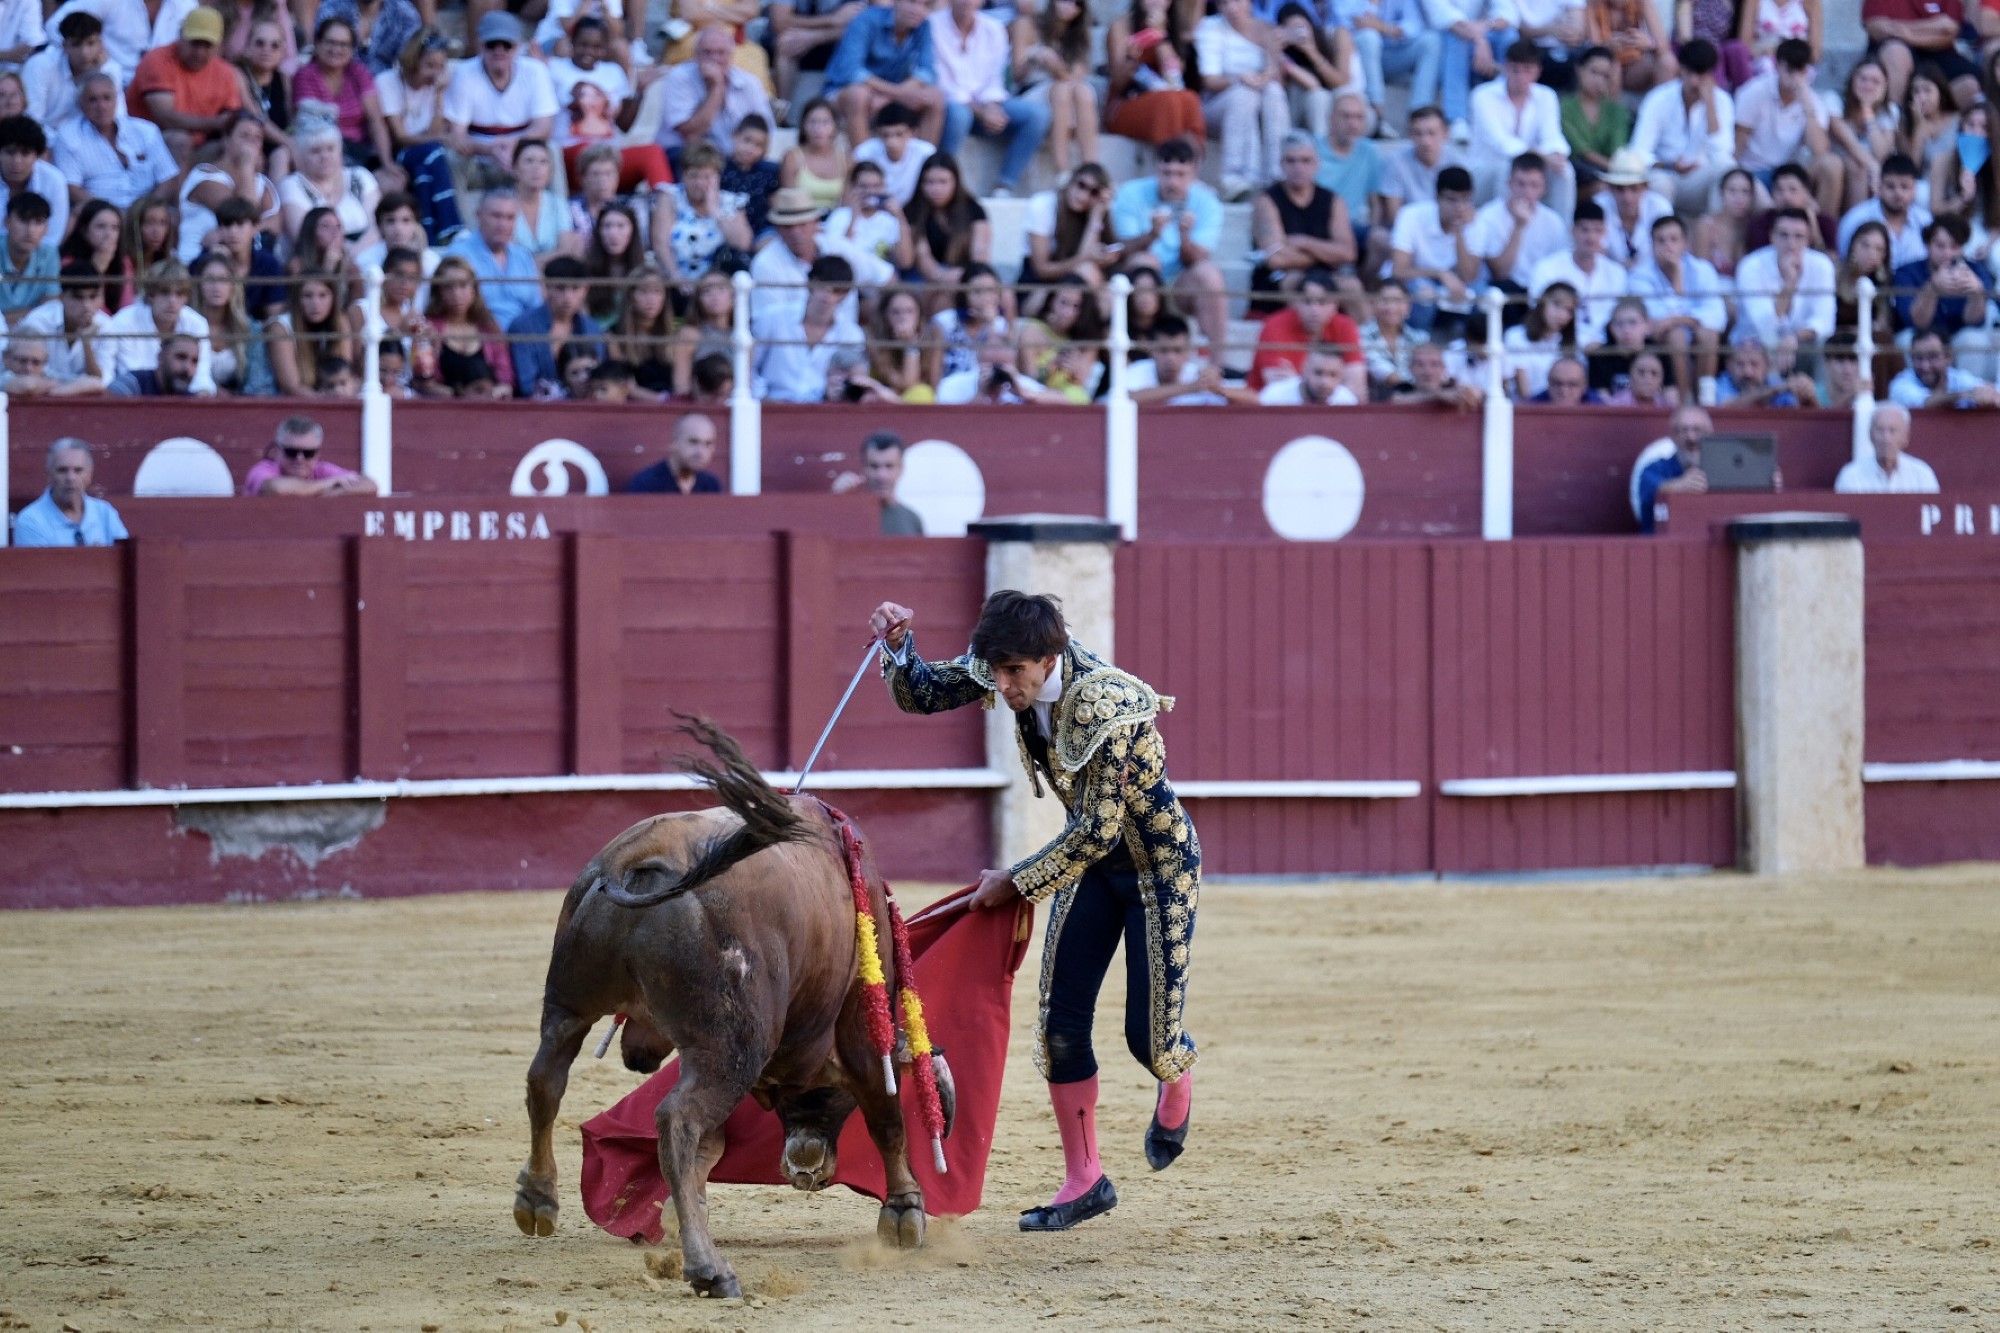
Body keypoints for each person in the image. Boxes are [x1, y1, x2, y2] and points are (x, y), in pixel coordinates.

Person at [867, 589, 1202, 1231]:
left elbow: (1100, 828)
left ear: (1048, 660)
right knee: (1061, 1026)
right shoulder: (1005, 661)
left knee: (1151, 1041)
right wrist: (897, 647)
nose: (1002, 686)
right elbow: (924, 692)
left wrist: (1017, 881)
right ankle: (1086, 1179)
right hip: (1091, 872)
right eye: (995, 671)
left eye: (1013, 674)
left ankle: (1175, 1074)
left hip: (1159, 869)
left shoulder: (1112, 702)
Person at [932, 0, 1051, 197]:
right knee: (959, 114)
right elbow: (941, 85)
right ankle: (942, 179)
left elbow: (994, 81)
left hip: (985, 103)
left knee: (1038, 115)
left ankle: (1004, 186)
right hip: (950, 106)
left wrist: (992, 106)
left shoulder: (993, 29)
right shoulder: (933, 25)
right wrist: (980, 110)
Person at [751, 186, 893, 327]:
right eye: (788, 226)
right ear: (778, 229)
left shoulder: (839, 247)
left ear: (816, 223)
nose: (796, 233)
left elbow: (887, 278)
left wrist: (877, 316)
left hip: (848, 344)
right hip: (794, 345)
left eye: (802, 224)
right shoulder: (765, 263)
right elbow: (768, 324)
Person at [443, 12, 558, 184]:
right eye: (492, 44)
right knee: (452, 156)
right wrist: (490, 150)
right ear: (480, 45)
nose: (499, 50)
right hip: (478, 151)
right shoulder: (464, 74)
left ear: (518, 46)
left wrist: (515, 144)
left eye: (506, 45)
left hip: (523, 149)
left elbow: (544, 127)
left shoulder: (535, 71)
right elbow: (457, 135)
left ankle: (557, 208)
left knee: (551, 151)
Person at [1192, 0, 1287, 201]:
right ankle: (1233, 177)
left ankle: (1277, 173)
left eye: (1237, 1)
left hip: (1258, 101)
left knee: (1274, 92)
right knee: (1243, 93)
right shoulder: (1210, 27)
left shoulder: (1265, 28)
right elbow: (1210, 80)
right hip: (1215, 106)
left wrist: (1267, 74)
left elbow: (1276, 75)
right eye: (1225, 3)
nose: (1232, 8)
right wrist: (1240, 78)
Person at [1469, 41, 1575, 221]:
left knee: (1565, 171)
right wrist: (1543, 157)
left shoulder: (1546, 96)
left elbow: (1552, 134)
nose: (1521, 77)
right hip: (1484, 172)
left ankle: (1562, 232)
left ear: (1538, 71)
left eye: (1527, 70)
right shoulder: (1483, 95)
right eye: (1515, 70)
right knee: (1509, 169)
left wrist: (1557, 154)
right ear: (1505, 68)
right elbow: (1501, 142)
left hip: (1529, 166)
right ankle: (1503, 230)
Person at [1629, 38, 1735, 216]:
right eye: (1690, 73)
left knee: (1727, 169)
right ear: (1681, 69)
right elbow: (1639, 150)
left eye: (1700, 75)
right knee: (1659, 182)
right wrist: (1669, 165)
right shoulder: (1659, 98)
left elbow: (1723, 152)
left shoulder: (1722, 101)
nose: (1694, 82)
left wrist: (1710, 107)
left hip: (1699, 180)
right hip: (1665, 174)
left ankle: (1715, 235)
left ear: (1711, 74)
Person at [1253, 128, 1357, 308]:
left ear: (1316, 163)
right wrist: (1328, 254)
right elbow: (1276, 259)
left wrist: (1304, 242)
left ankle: (1368, 335)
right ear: (1282, 164)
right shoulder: (1267, 201)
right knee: (1296, 283)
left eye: (1305, 161)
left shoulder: (1333, 201)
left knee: (1352, 286)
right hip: (1280, 279)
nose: (1298, 167)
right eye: (1291, 161)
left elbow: (1348, 253)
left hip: (1324, 275)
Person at [128, 6, 244, 162]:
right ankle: (177, 187)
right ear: (181, 36)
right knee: (179, 140)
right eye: (195, 43)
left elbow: (232, 118)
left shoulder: (225, 72)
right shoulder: (157, 60)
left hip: (200, 147)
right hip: (147, 145)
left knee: (244, 147)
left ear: (219, 46)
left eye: (207, 45)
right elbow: (166, 118)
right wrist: (216, 123)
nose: (200, 52)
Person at [822, 0, 944, 146]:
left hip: (888, 95)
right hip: (844, 91)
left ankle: (926, 165)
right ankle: (864, 165)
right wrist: (897, 94)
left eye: (925, 5)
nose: (917, 10)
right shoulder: (866, 20)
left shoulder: (924, 26)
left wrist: (891, 96)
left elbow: (927, 72)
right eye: (912, 2)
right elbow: (852, 71)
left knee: (934, 96)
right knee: (859, 95)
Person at [1734, 39, 1837, 208]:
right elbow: (1740, 141)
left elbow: (1819, 150)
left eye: (1801, 70)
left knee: (1831, 165)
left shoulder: (1813, 102)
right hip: (1754, 170)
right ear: (1778, 66)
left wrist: (1807, 107)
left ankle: (1826, 228)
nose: (1795, 76)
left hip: (1789, 174)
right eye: (1790, 69)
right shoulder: (1754, 91)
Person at [1630, 212, 1726, 386]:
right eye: (1661, 240)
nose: (1668, 246)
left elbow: (1717, 316)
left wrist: (1678, 319)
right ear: (1652, 245)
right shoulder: (1639, 275)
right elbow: (1653, 317)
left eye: (1674, 240)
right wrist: (1677, 279)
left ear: (1685, 244)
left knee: (1709, 335)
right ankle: (1684, 400)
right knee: (1677, 335)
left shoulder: (1703, 270)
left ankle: (1706, 399)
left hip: (1693, 329)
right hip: (1660, 335)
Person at [752, 252, 864, 401]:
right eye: (823, 287)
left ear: (845, 294)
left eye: (837, 291)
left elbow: (854, 381)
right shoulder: (773, 318)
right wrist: (762, 397)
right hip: (769, 406)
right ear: (810, 283)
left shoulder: (851, 334)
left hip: (823, 412)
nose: (828, 297)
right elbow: (748, 366)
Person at [656, 22, 775, 157]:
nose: (714, 59)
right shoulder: (679, 76)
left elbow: (766, 130)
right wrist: (717, 87)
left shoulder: (749, 82)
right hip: (684, 154)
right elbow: (689, 132)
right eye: (707, 52)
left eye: (721, 52)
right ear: (696, 55)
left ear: (731, 55)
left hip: (732, 158)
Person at [1892, 216, 1994, 370]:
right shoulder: (1906, 273)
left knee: (1974, 339)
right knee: (1906, 340)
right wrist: (1932, 289)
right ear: (1927, 245)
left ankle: (1971, 393)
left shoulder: (1976, 271)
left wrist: (1976, 294)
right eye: (1940, 246)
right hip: (1922, 335)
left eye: (1954, 246)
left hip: (1958, 337)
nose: (1947, 253)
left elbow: (1974, 322)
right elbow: (1915, 323)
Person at [1011, 0, 1099, 175]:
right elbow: (1016, 74)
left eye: (1076, 4)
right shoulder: (1027, 24)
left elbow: (1075, 76)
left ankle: (1091, 168)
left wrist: (1055, 66)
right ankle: (1062, 170)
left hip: (1067, 92)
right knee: (1062, 90)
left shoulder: (1079, 35)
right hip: (1030, 90)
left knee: (1084, 92)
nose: (1069, 7)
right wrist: (1035, 57)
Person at [1103, 0, 1205, 149]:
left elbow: (1174, 77)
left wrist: (1160, 37)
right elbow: (1118, 82)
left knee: (1191, 100)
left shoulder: (1174, 27)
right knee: (1169, 101)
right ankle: (1171, 161)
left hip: (1166, 93)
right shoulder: (1121, 27)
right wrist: (1132, 58)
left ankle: (1189, 165)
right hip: (1128, 100)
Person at [101, 259, 215, 392]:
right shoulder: (123, 322)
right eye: (165, 293)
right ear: (151, 294)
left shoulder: (197, 324)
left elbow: (201, 377)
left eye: (179, 294)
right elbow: (110, 377)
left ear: (186, 298)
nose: (172, 301)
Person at [1246, 267, 1365, 393]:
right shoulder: (1274, 325)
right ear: (1296, 302)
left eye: (1322, 302)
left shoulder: (1346, 326)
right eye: (1307, 302)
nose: (1314, 310)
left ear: (1335, 304)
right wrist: (1331, 384)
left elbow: (1356, 386)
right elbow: (1279, 388)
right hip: (1269, 408)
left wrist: (1297, 380)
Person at [1468, 151, 1569, 296]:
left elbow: (1558, 268)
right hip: (1502, 291)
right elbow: (1500, 273)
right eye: (1521, 184)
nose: (1527, 192)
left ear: (1544, 189)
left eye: (1534, 185)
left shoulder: (1554, 222)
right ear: (1509, 184)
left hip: (1540, 293)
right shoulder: (1488, 217)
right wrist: (1519, 226)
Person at [1735, 206, 1838, 347]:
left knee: (1823, 345)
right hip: (1756, 346)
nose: (1791, 244)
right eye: (1784, 235)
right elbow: (1763, 325)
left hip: (1803, 344)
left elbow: (1824, 321)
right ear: (1772, 236)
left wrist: (1794, 339)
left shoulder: (1822, 265)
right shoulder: (1751, 266)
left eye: (1799, 236)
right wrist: (1789, 284)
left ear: (1808, 239)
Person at [414, 254, 513, 398]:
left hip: (488, 408)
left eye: (463, 285)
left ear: (474, 289)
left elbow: (506, 381)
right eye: (449, 287)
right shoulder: (427, 328)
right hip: (442, 410)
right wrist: (459, 396)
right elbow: (422, 383)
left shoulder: (489, 327)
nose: (456, 294)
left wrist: (494, 392)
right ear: (439, 292)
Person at [1530, 198, 1626, 344]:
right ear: (1573, 231)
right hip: (1559, 343)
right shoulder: (1547, 268)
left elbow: (1620, 317)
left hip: (1605, 348)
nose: (1591, 237)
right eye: (1585, 230)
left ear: (1605, 233)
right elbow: (1539, 313)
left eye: (1597, 230)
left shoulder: (1617, 273)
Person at [509, 255, 606, 397]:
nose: (568, 297)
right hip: (537, 411)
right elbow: (526, 385)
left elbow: (599, 379)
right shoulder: (523, 327)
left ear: (585, 290)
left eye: (575, 288)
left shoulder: (593, 329)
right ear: (547, 287)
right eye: (560, 288)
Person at [444, 188, 541, 330]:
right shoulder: (459, 254)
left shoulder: (524, 256)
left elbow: (536, 307)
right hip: (478, 337)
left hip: (524, 338)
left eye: (510, 218)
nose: (503, 225)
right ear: (478, 216)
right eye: (496, 216)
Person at [41, 0, 199, 85]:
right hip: (113, 83)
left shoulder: (186, 5)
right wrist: (88, 56)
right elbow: (54, 25)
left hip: (164, 89)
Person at [1863, 0, 1982, 108]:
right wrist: (1932, 26)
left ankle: (1955, 127)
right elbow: (1875, 26)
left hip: (1938, 51)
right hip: (1893, 50)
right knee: (1897, 51)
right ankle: (1894, 117)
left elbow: (1950, 28)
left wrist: (1906, 33)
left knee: (1971, 82)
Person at [12, 438, 127, 546]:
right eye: (62, 470)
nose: (70, 478)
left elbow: (126, 558)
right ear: (49, 475)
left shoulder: (105, 513)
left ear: (89, 476)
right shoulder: (31, 520)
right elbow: (39, 566)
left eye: (78, 470)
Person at [23, 10, 122, 135]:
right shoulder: (39, 66)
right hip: (47, 142)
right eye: (76, 45)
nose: (84, 53)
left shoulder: (110, 69)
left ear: (101, 44)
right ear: (64, 46)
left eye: (91, 43)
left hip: (92, 142)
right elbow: (31, 120)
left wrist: (94, 75)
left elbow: (118, 118)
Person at [1837, 152, 1933, 267]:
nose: (1898, 193)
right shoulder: (1856, 219)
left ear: (1914, 190)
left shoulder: (1926, 221)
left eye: (1904, 187)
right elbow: (1845, 262)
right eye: (1890, 186)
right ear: (1879, 186)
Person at [242, 415, 380, 495]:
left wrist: (326, 492)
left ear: (318, 453)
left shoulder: (321, 469)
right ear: (277, 450)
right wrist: (330, 483)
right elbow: (276, 488)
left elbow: (370, 484)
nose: (299, 459)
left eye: (308, 453)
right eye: (292, 452)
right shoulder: (263, 469)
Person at [1377, 105, 1465, 228]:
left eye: (1431, 133)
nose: (1425, 141)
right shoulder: (1396, 162)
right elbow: (1394, 216)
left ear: (1445, 134)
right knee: (1378, 238)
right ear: (1410, 134)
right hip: (1408, 232)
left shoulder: (1456, 163)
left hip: (1445, 231)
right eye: (1418, 133)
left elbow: (1462, 209)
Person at [1560, 45, 1631, 188]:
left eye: (1605, 76)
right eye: (1594, 72)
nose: (1598, 80)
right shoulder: (1564, 106)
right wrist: (1618, 169)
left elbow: (1617, 149)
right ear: (1579, 69)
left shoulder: (1616, 111)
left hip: (1609, 173)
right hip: (1576, 174)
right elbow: (1581, 151)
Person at [1634, 403, 1712, 531]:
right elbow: (1651, 489)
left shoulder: (1721, 469)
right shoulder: (1654, 469)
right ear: (1673, 436)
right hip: (1661, 548)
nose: (1691, 438)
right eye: (1684, 430)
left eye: (1697, 430)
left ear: (1710, 434)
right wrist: (1679, 486)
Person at [832, 430, 925, 534]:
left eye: (889, 466)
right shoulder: (847, 515)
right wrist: (836, 501)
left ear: (901, 469)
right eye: (874, 466)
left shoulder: (912, 520)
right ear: (864, 469)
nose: (882, 475)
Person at [1834, 402, 1941, 491]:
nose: (1886, 438)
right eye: (1880, 430)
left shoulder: (1922, 474)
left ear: (1905, 437)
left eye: (1892, 431)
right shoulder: (1851, 475)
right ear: (1870, 435)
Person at [0, 116, 71, 245]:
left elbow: (53, 237)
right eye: (10, 153)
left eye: (25, 153)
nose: (17, 161)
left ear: (37, 155)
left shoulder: (54, 181)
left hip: (39, 259)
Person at [1888, 326, 2000, 406]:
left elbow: (1990, 392)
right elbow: (1925, 402)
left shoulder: (1958, 378)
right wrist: (1966, 395)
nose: (1925, 366)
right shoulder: (1900, 384)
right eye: (1918, 358)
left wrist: (1989, 395)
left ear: (1948, 357)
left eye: (1933, 357)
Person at [854, 102, 936, 209]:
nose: (891, 142)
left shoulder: (926, 153)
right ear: (878, 133)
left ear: (913, 132)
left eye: (899, 134)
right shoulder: (865, 152)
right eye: (886, 135)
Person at [629, 411, 725, 492]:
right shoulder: (646, 484)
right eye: (693, 442)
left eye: (708, 444)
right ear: (674, 443)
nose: (700, 452)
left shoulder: (711, 486)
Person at [0, 190, 56, 325]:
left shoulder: (49, 253)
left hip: (31, 331)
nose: (30, 230)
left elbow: (50, 306)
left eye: (38, 222)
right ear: (7, 222)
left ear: (46, 228)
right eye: (23, 220)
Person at [1391, 338, 1484, 407]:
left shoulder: (1453, 386)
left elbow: (1476, 395)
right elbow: (1396, 401)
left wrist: (1468, 394)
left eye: (1434, 364)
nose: (1428, 371)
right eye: (1420, 365)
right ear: (1410, 368)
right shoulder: (1402, 388)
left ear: (1444, 368)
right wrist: (1437, 395)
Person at [108, 330, 203, 395]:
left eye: (194, 361)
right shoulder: (133, 384)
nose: (187, 368)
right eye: (180, 357)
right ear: (160, 357)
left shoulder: (192, 401)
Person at [1258, 345, 1361, 402]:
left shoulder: (1346, 401)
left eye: (1333, 375)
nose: (1324, 382)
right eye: (1318, 373)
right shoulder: (1275, 396)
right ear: (1304, 369)